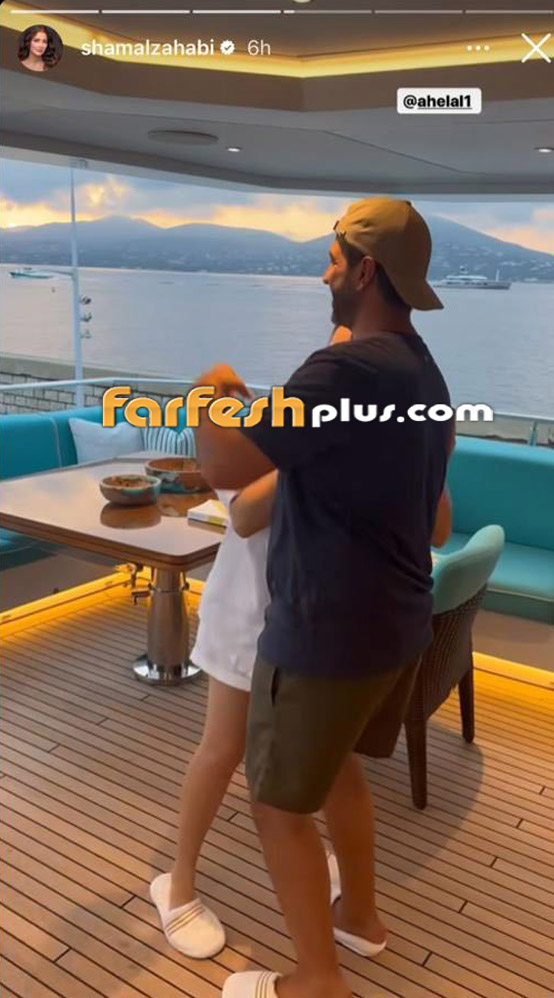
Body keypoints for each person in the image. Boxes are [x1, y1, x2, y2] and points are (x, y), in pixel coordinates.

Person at [192, 197, 454, 998]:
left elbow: (224, 468)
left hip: (324, 636)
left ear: (366, 271)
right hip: (396, 628)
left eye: (333, 261)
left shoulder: (344, 371)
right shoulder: (421, 370)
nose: (324, 274)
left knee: (277, 806)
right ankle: (360, 920)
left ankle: (316, 979)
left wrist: (209, 392)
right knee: (337, 769)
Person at [150, 326, 357, 957]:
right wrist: (312, 451)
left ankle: (320, 861)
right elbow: (243, 513)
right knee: (223, 750)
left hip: (310, 623)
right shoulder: (257, 441)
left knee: (327, 756)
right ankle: (177, 883)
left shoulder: (339, 438)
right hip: (246, 620)